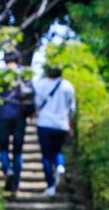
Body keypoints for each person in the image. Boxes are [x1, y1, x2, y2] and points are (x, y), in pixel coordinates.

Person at [32, 66, 76, 198]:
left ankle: (50, 186)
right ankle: (60, 166)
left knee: (46, 155)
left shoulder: (41, 84)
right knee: (57, 151)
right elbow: (72, 109)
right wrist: (69, 125)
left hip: (44, 123)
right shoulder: (68, 86)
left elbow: (36, 103)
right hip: (61, 124)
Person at [0, 52, 34, 195]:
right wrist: (30, 113)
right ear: (18, 59)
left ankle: (8, 170)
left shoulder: (0, 74)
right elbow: (32, 95)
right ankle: (16, 185)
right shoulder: (24, 74)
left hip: (4, 114)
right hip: (20, 116)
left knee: (3, 148)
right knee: (18, 151)